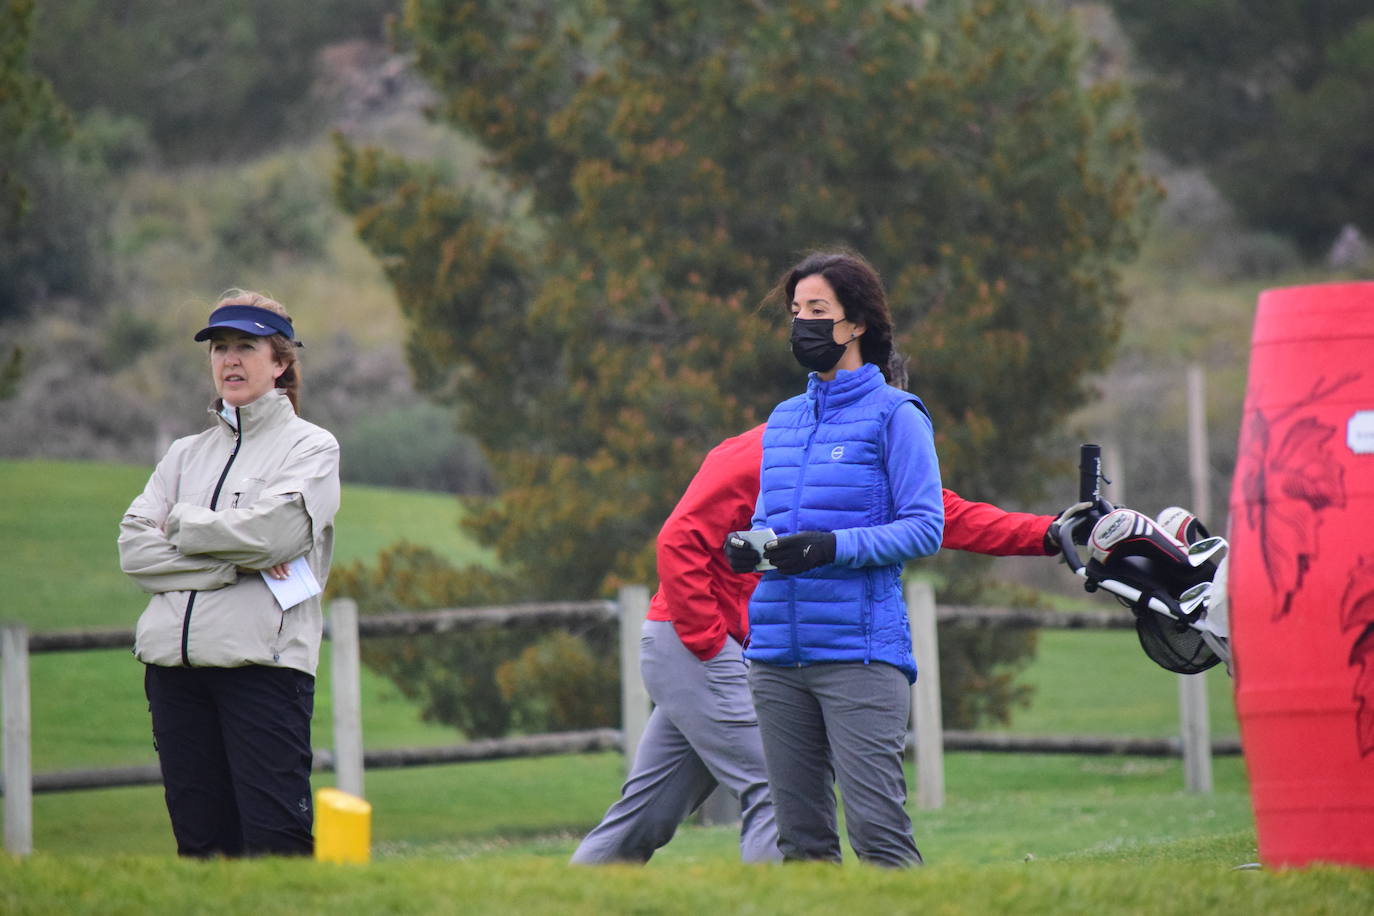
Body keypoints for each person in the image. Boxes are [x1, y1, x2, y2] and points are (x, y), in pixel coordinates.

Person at [570, 415, 1084, 865]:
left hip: (719, 651)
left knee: (642, 818)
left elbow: (944, 515)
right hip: (695, 646)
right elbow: (678, 539)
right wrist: (711, 644)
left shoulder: (870, 454)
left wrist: (1046, 533)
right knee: (779, 793)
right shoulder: (767, 448)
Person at [729, 249, 939, 867]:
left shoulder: (897, 416)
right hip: (773, 657)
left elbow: (926, 528)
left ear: (856, 325)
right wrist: (752, 546)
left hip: (859, 655)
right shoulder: (784, 418)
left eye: (818, 310)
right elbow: (770, 517)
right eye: (796, 312)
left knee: (879, 838)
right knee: (801, 845)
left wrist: (832, 548)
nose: (802, 324)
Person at [117, 291, 340, 858]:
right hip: (174, 674)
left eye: (247, 346)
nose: (230, 360)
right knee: (201, 849)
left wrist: (185, 524)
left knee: (275, 846)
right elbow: (134, 551)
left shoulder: (311, 448)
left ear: (281, 361)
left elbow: (274, 538)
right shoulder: (183, 454)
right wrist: (224, 569)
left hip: (262, 671)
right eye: (220, 348)